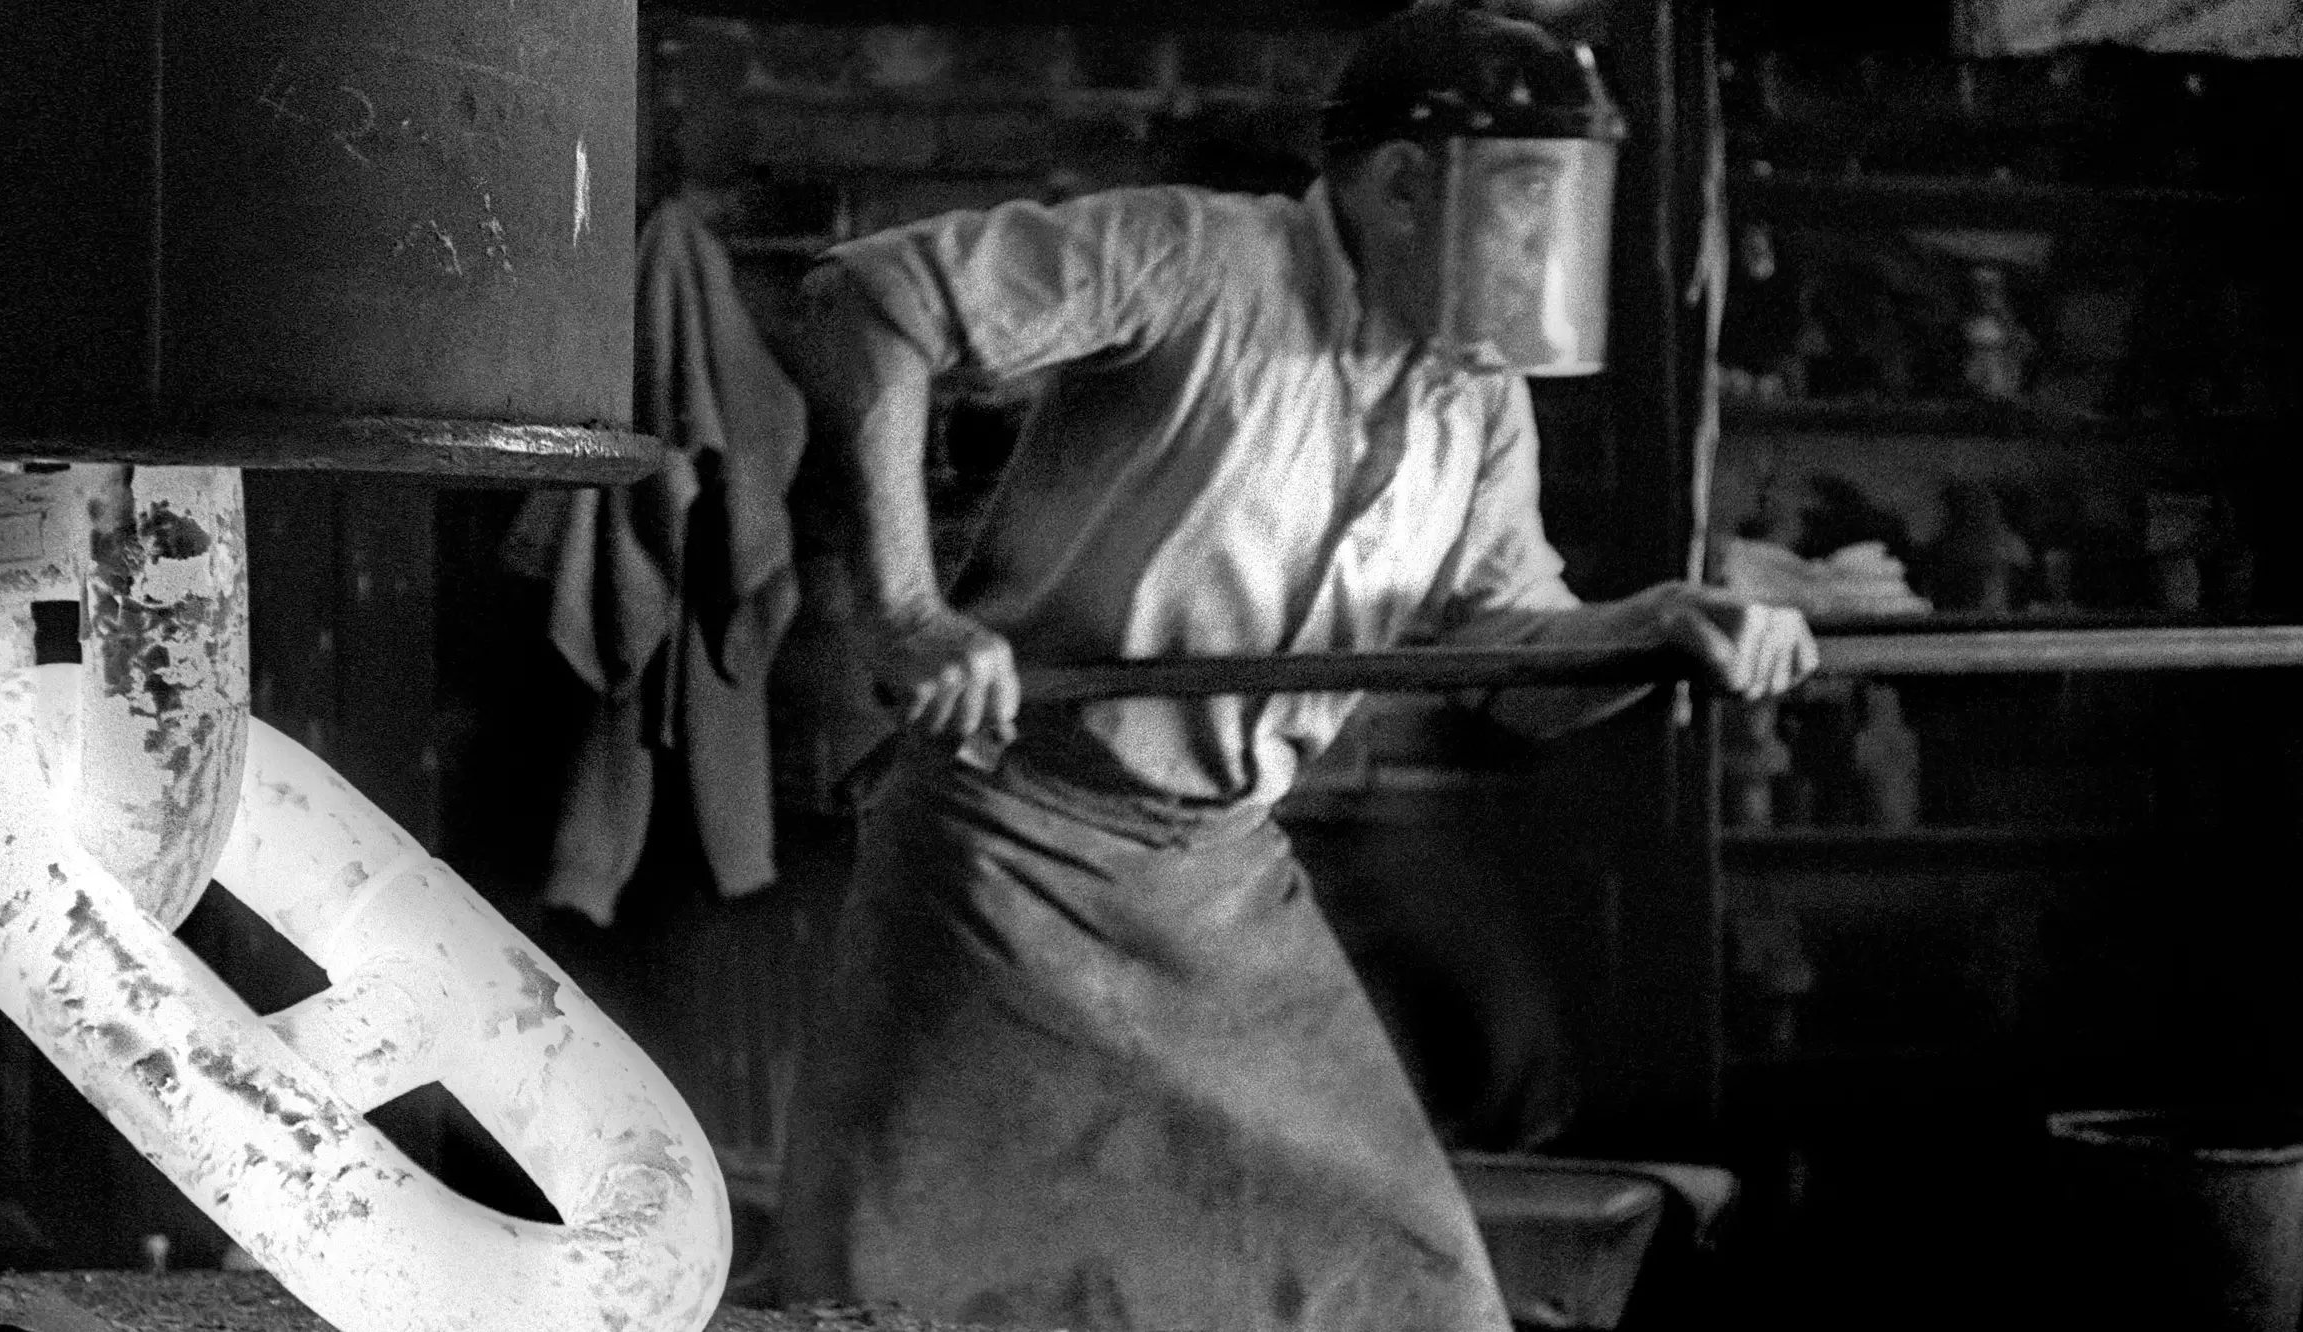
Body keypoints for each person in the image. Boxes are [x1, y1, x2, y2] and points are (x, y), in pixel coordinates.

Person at [774, 5, 1818, 1329]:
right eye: (1527, 205)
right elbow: (868, 298)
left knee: (1411, 1293)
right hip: (998, 854)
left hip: (1218, 878)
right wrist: (906, 610)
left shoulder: (1476, 400)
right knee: (894, 1299)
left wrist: (1661, 632)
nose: (1549, 248)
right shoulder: (1193, 257)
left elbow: (1507, 668)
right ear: (1397, 186)